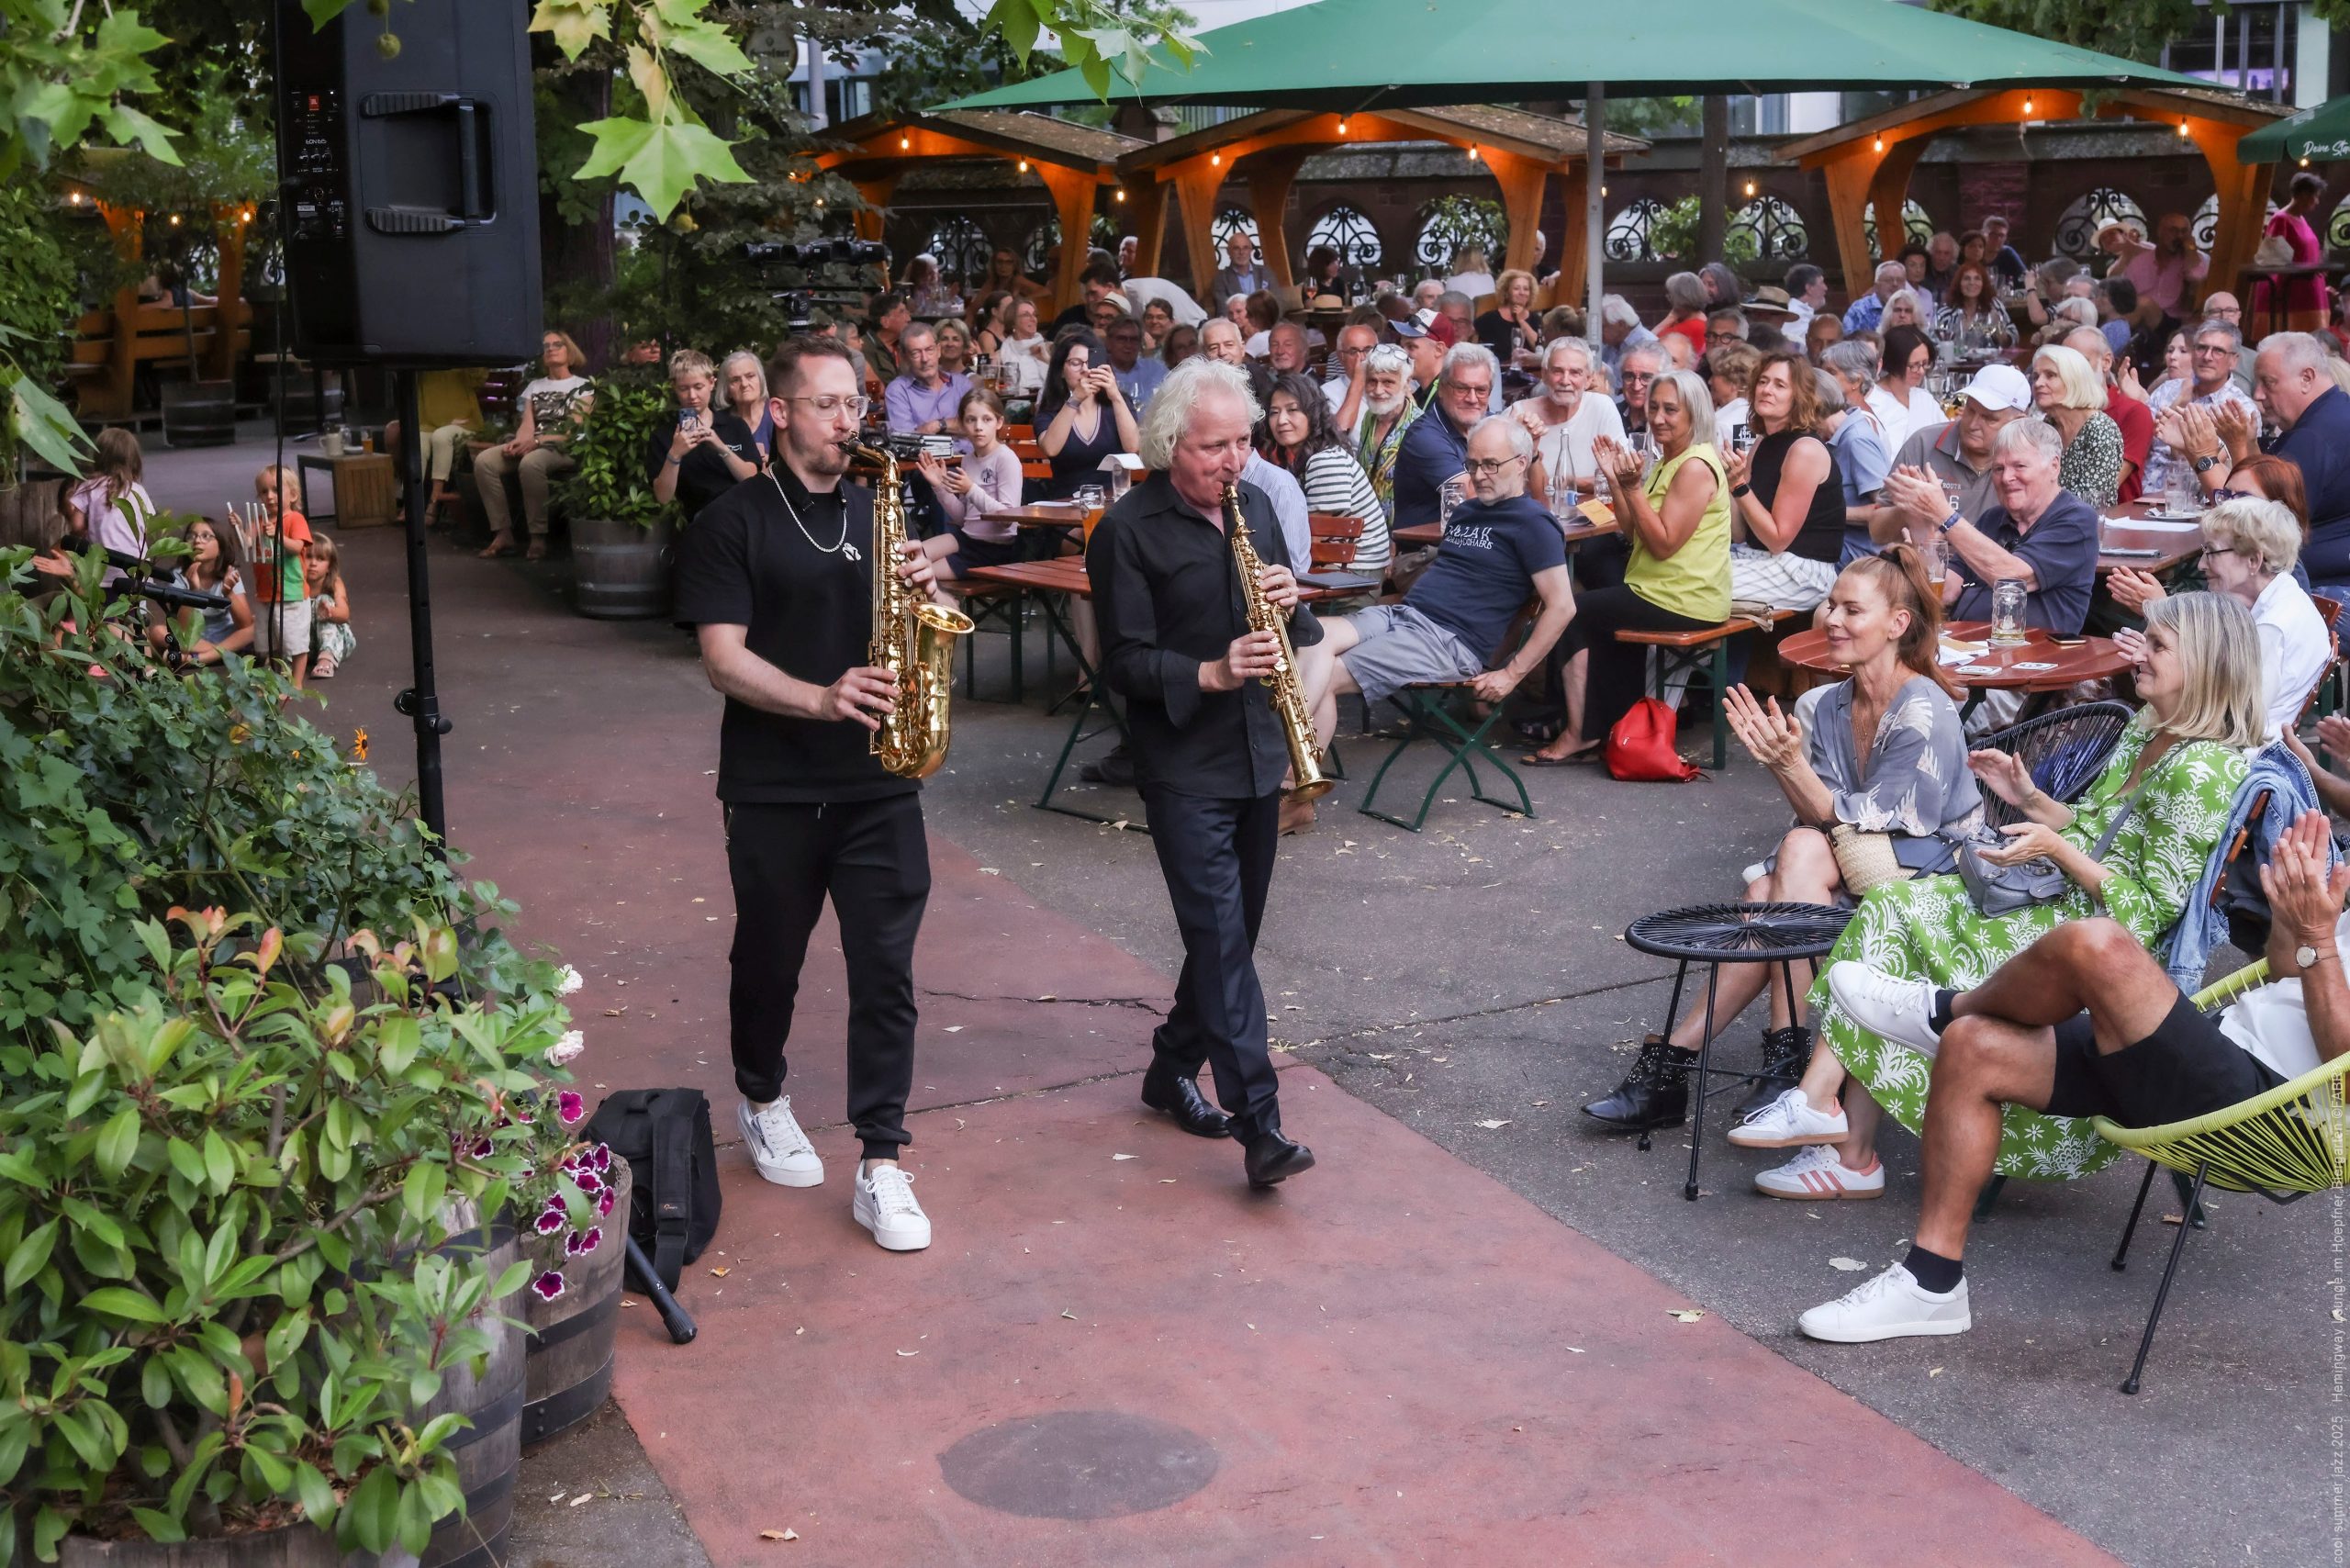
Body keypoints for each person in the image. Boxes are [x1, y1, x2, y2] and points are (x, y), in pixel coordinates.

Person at [1737, 591, 2260, 1202]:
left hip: (2095, 944)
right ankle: (1826, 1114)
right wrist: (2030, 797)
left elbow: (2149, 911)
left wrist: (2055, 849)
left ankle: (1840, 1138)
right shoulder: (2153, 729)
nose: (2139, 653)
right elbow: (2095, 828)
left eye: (2158, 645)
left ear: (2207, 664)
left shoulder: (2202, 770)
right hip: (2055, 900)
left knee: (1900, 913)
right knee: (1892, 907)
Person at [1804, 808, 2340, 1341]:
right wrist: (2295, 922)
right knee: (1974, 1049)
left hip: (2272, 1111)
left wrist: (2319, 935)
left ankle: (1945, 1011)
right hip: (2216, 1049)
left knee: (2097, 946)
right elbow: (2293, 975)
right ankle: (1930, 1286)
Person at [670, 334, 952, 1253]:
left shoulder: (880, 512)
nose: (847, 420)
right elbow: (722, 660)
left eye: (854, 404)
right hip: (774, 786)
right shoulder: (731, 521)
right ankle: (760, 1092)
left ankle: (882, 1158)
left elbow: (912, 624)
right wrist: (823, 699)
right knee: (770, 961)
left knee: (885, 973)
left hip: (880, 783)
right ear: (781, 413)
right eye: (828, 404)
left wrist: (924, 587)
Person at [1584, 547, 1983, 1154]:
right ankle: (1745, 1062)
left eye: (1853, 609)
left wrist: (1786, 763)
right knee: (1771, 886)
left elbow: (1874, 824)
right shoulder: (1824, 705)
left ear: (1897, 625)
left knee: (1778, 878)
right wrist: (1783, 765)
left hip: (1933, 875)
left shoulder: (1925, 708)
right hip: (1840, 863)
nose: (1832, 619)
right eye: (1831, 605)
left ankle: (1696, 1065)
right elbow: (1819, 816)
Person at [1084, 355, 1321, 1185]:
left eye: (1244, 443)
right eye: (1214, 447)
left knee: (1231, 938)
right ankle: (1261, 1127)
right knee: (1222, 946)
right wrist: (1211, 672)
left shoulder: (1255, 503)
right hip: (1183, 764)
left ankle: (1169, 1067)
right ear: (1168, 445)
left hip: (1258, 753)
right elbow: (1123, 665)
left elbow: (1299, 635)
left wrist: (1295, 603)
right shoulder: (1126, 532)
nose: (1235, 462)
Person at [1300, 414, 1573, 750]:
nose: (1479, 475)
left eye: (1490, 464)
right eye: (1472, 464)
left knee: (1325, 674)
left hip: (1448, 642)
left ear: (1521, 463)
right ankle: (1292, 774)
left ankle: (1290, 785)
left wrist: (1511, 674)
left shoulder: (1534, 524)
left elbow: (1562, 606)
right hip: (1404, 616)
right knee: (1310, 640)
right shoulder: (1467, 511)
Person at [1524, 369, 1733, 764]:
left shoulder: (1693, 466)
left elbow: (1664, 544)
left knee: (1571, 611)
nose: (1658, 418)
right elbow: (1635, 535)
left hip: (1684, 599)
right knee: (1590, 609)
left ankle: (1577, 733)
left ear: (1695, 414)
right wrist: (1618, 484)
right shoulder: (1670, 461)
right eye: (1654, 407)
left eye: (1671, 409)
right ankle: (1594, 726)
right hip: (1659, 590)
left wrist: (1633, 487)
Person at [2109, 496, 2327, 738]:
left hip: (2234, 757)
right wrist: (2159, 656)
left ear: (2254, 560)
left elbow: (2235, 717)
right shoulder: (2278, 597)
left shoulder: (2273, 627)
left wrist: (2167, 660)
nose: (2202, 564)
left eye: (2211, 552)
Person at [1885, 418, 2099, 635]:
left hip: (2038, 656)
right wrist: (1921, 527)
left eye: (2019, 466)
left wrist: (1943, 513)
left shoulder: (2076, 519)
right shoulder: (1993, 518)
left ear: (2054, 467)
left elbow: (2011, 578)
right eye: (1997, 469)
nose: (2006, 478)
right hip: (1968, 647)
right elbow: (1944, 591)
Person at [1866, 364, 2035, 552]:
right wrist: (1908, 510)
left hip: (1996, 573)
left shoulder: (2032, 461)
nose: (1973, 424)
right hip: (1926, 571)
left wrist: (1938, 513)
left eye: (1989, 418)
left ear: (2019, 421)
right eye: (1970, 410)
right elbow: (1876, 531)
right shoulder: (1924, 443)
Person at [1723, 351, 1844, 610]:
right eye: (1763, 381)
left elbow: (1778, 539)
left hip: (1803, 571)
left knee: (1697, 587)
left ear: (1798, 397)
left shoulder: (1805, 450)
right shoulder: (1762, 442)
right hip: (1759, 558)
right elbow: (1741, 533)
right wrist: (1725, 480)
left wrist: (1739, 486)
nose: (1767, 390)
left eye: (1780, 385)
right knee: (1680, 572)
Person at [1258, 372, 1392, 576]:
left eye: (1292, 410)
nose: (1281, 420)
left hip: (1354, 575)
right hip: (1332, 570)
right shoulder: (1296, 460)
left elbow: (1307, 537)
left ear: (1313, 414)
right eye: (1274, 412)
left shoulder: (1325, 460)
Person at [476, 329, 592, 561]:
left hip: (564, 447)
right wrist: (519, 442)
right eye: (546, 346)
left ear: (569, 351)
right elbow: (527, 424)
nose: (550, 349)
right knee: (484, 461)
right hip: (534, 443)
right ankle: (503, 533)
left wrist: (537, 441)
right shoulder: (535, 386)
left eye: (557, 345)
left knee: (531, 463)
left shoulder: (584, 386)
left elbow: (574, 431)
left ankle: (538, 537)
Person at [917, 386, 1024, 584]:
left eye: (987, 419)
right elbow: (963, 518)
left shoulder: (1005, 458)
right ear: (962, 424)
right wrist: (939, 486)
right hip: (966, 538)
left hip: (993, 548)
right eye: (971, 420)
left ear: (999, 422)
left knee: (917, 574)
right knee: (911, 556)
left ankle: (949, 609)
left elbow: (1008, 519)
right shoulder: (968, 460)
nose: (978, 427)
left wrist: (971, 489)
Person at [2143, 319, 2255, 503]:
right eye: (2201, 348)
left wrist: (2181, 445)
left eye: (2218, 351)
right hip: (2144, 500)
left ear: (2234, 360)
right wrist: (2178, 401)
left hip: (2201, 506)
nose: (2207, 356)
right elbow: (2141, 447)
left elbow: (2213, 468)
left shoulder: (2240, 408)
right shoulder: (2166, 390)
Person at [1515, 336, 1628, 510]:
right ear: (1544, 375)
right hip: (1535, 517)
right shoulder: (1519, 414)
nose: (1565, 380)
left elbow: (1622, 474)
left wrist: (1571, 482)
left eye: (1575, 372)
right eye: (1557, 371)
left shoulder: (1601, 406)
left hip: (1594, 522)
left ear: (1589, 379)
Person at [648, 349, 760, 523]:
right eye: (684, 389)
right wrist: (675, 454)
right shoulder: (664, 436)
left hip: (743, 515)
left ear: (711, 383)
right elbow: (663, 497)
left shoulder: (734, 425)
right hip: (702, 521)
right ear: (674, 388)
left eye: (698, 387)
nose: (692, 396)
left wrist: (720, 446)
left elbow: (752, 479)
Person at [1392, 342, 1495, 531]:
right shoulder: (1423, 436)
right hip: (1426, 553)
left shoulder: (1493, 424)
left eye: (1481, 390)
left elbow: (1538, 493)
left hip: (1480, 541)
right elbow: (1472, 495)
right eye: (1462, 389)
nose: (1472, 399)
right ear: (1441, 389)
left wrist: (1533, 452)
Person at [1035, 329, 1139, 501]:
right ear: (1060, 370)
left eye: (1091, 362)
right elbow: (1051, 448)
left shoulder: (1118, 403)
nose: (1085, 369)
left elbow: (1133, 447)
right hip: (1065, 503)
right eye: (1076, 363)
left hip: (1112, 502)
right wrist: (1075, 400)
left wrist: (1115, 396)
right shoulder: (1050, 410)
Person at [386, 367, 487, 528]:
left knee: (441, 436)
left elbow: (478, 379)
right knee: (417, 440)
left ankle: (434, 503)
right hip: (429, 421)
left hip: (463, 420)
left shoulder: (462, 347)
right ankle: (410, 504)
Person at [2029, 342, 2124, 510]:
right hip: (2044, 522)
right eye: (2036, 377)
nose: (2038, 383)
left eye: (2050, 375)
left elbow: (2092, 501)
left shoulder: (2100, 429)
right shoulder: (2048, 425)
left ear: (2074, 380)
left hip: (2084, 527)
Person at [2064, 326, 2153, 503]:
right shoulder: (2056, 415)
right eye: (2066, 366)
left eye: (2081, 362)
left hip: (2114, 520)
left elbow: (2103, 488)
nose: (2071, 372)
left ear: (2106, 362)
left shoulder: (2133, 411)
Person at [248, 464, 314, 687]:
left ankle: (296, 683)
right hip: (265, 592)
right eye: (264, 492)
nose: (270, 496)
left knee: (295, 641)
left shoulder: (295, 519)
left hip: (291, 591)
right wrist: (239, 528)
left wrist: (277, 536)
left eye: (276, 490)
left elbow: (297, 547)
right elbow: (246, 543)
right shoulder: (258, 521)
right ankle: (276, 679)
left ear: (293, 494)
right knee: (270, 641)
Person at [1815, 371, 1891, 563]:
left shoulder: (1857, 440)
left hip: (1856, 555)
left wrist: (1822, 513)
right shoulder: (1835, 438)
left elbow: (1885, 509)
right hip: (1837, 544)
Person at [1350, 343, 1422, 519]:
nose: (1378, 390)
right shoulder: (1370, 416)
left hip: (1403, 532)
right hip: (1367, 528)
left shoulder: (1419, 426)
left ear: (1406, 384)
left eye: (1388, 382)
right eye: (1372, 381)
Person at [2253, 171, 2331, 333]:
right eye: (2314, 196)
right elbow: (2273, 261)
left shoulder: (2301, 219)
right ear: (2302, 195)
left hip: (2309, 292)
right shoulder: (2281, 219)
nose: (2316, 202)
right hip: (2293, 297)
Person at [173, 514, 252, 669]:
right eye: (191, 536)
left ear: (220, 547)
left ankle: (201, 658)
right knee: (158, 632)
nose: (197, 541)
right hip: (195, 639)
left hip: (226, 633)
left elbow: (245, 624)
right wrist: (193, 591)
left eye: (206, 536)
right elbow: (182, 630)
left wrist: (229, 593)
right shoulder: (178, 575)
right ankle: (225, 653)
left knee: (255, 626)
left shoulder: (229, 572)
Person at [66, 427, 154, 562]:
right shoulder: (138, 491)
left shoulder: (90, 487)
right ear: (134, 459)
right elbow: (150, 526)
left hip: (102, 566)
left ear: (98, 456)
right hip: (137, 567)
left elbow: (76, 525)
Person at [1930, 261, 2016, 357]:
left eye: (1977, 279)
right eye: (1967, 279)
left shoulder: (1994, 306)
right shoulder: (1946, 312)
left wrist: (1998, 327)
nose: (1972, 283)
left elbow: (2012, 340)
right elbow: (1932, 342)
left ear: (1983, 284)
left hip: (1988, 366)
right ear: (1959, 284)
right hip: (1954, 366)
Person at [303, 533, 353, 680]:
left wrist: (330, 611)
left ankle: (326, 659)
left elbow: (345, 614)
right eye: (308, 557)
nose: (313, 563)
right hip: (308, 644)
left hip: (337, 641)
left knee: (323, 599)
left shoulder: (334, 583)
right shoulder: (296, 584)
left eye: (320, 559)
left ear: (329, 566)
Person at [1475, 270, 1540, 369]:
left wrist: (1522, 321)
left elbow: (1538, 348)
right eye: (1516, 288)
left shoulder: (1535, 318)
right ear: (1506, 292)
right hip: (1498, 373)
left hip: (1530, 374)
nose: (1522, 293)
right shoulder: (1490, 318)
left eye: (1526, 289)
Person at [1102, 314, 1167, 413]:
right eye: (1122, 339)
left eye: (1134, 340)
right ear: (1109, 342)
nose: (1128, 345)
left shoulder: (1157, 370)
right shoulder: (1099, 372)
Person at [1705, 341, 1759, 453]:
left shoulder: (1721, 424)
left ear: (1734, 382)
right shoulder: (1759, 415)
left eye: (1715, 374)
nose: (1710, 381)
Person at [1322, 320, 1379, 425]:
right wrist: (1358, 382)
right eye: (1353, 351)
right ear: (1341, 356)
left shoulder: (1391, 383)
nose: (1362, 358)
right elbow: (1339, 433)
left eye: (1368, 350)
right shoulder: (1327, 392)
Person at [996, 297, 1049, 401]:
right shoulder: (1002, 354)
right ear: (1013, 322)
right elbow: (998, 388)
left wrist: (1047, 359)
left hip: (1048, 400)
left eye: (1034, 315)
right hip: (1016, 403)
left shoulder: (1048, 348)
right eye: (1026, 315)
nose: (1033, 319)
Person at [1842, 261, 1909, 334]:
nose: (1895, 284)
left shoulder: (1911, 306)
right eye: (1889, 280)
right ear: (1876, 285)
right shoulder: (1859, 309)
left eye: (1900, 280)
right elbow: (1849, 340)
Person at [1656, 272, 1710, 360]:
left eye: (1671, 295)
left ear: (1681, 298)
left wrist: (1669, 318)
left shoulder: (1694, 326)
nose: (1669, 298)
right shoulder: (1686, 319)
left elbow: (1649, 346)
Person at [1210, 230, 1269, 307]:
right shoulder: (1221, 279)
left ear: (1251, 250)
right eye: (1236, 248)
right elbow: (1224, 308)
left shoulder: (1265, 273)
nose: (1241, 252)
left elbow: (1278, 301)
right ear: (1228, 252)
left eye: (1245, 248)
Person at [1615, 343, 1662, 439]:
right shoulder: (1611, 414)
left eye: (1647, 377)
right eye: (1629, 376)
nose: (1636, 387)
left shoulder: (1667, 422)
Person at [982, 247, 1050, 308]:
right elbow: (975, 307)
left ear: (1015, 265)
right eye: (1000, 262)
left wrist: (1022, 301)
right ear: (994, 264)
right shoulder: (991, 282)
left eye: (1009, 262)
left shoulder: (1018, 280)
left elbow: (1046, 291)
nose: (1003, 266)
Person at [901, 252, 961, 319]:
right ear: (919, 275)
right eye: (929, 273)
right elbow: (925, 312)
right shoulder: (912, 293)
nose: (934, 276)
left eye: (935, 270)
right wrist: (950, 297)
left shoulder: (940, 288)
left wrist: (951, 297)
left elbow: (960, 303)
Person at [1980, 214, 2028, 289]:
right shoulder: (1973, 253)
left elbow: (2025, 279)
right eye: (1993, 234)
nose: (1997, 239)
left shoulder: (2007, 253)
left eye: (2001, 236)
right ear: (1983, 234)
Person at [1784, 263, 1830, 328]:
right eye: (1821, 283)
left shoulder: (1799, 313)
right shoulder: (1796, 317)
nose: (1825, 288)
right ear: (1809, 288)